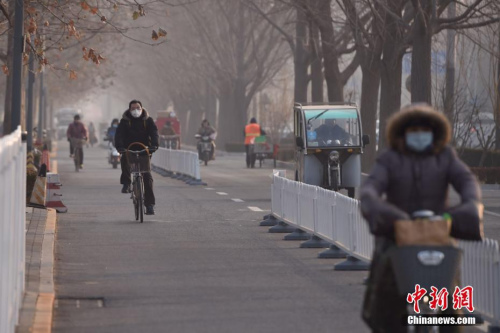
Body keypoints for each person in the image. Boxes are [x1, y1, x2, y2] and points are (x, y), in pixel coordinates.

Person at [359, 104, 483, 333]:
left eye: (424, 130)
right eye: (413, 130)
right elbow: (371, 188)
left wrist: (470, 206)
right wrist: (382, 211)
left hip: (437, 234)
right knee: (383, 303)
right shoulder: (390, 158)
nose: (419, 135)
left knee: (450, 305)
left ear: (435, 133)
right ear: (402, 133)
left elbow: (467, 182)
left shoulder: (445, 157)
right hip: (397, 236)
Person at [115, 100, 159, 215]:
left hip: (145, 150)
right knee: (124, 159)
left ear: (142, 108)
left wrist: (154, 145)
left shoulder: (148, 121)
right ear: (129, 110)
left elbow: (154, 133)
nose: (136, 110)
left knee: (147, 177)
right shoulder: (125, 121)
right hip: (128, 149)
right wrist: (120, 147)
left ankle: (149, 205)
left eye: (138, 107)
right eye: (133, 108)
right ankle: (126, 183)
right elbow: (119, 135)